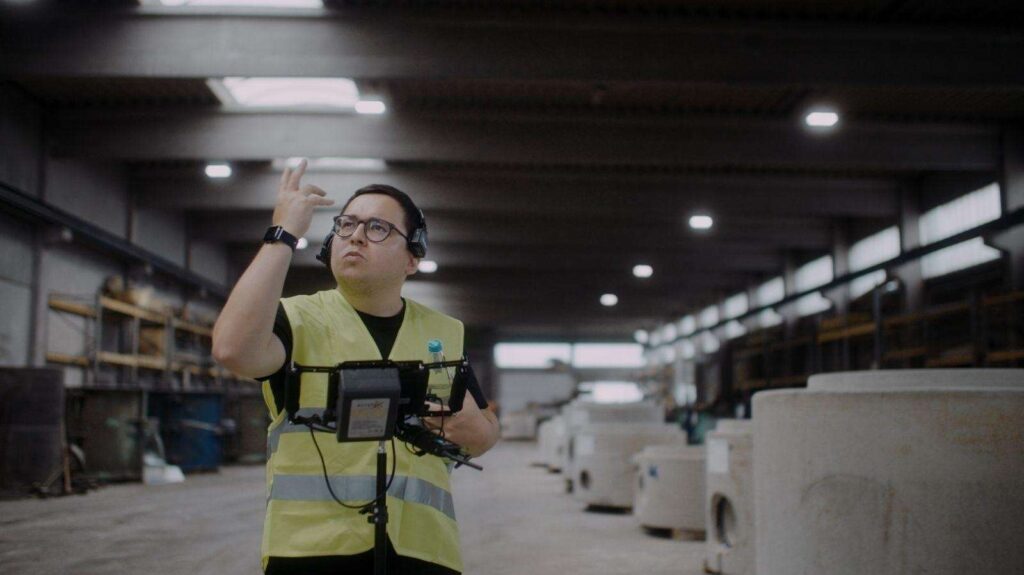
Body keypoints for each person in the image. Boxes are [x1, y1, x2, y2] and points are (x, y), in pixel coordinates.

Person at [212, 160, 500, 574]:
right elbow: (232, 350)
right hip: (312, 550)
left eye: (378, 228)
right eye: (346, 225)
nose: (356, 237)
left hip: (422, 550)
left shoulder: (444, 332)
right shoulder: (296, 321)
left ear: (412, 259)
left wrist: (479, 433)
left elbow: (482, 427)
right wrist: (282, 235)